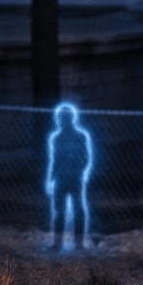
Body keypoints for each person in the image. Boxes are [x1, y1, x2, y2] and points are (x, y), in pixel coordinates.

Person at [45, 103, 93, 251]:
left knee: (75, 210)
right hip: (64, 177)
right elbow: (55, 159)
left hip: (72, 177)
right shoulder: (57, 137)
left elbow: (85, 157)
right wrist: (51, 178)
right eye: (60, 117)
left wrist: (77, 169)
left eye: (63, 117)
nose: (61, 120)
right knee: (61, 211)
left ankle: (75, 244)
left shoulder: (79, 136)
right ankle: (61, 243)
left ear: (71, 119)